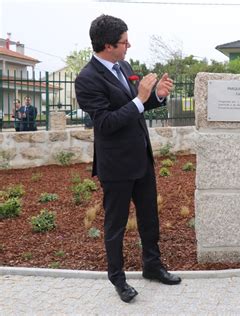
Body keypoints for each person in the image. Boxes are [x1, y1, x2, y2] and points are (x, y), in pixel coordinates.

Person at [74, 14, 181, 303]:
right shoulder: (86, 79)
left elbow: (136, 108)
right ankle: (118, 280)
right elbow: (106, 123)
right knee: (116, 225)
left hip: (140, 158)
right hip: (116, 166)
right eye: (124, 42)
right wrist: (139, 98)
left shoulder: (123, 65)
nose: (128, 46)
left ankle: (152, 266)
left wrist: (156, 96)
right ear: (108, 45)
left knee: (149, 218)